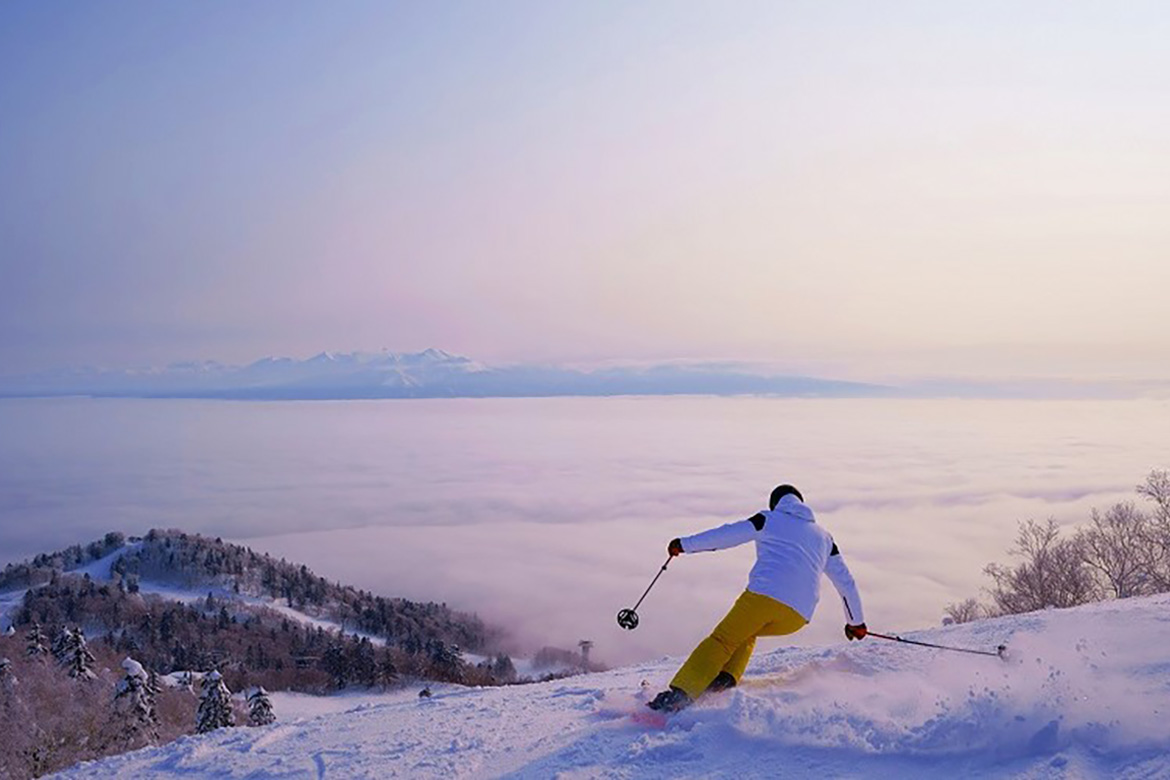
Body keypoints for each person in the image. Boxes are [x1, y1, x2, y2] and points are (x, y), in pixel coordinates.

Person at [647, 484, 867, 713]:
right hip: (798, 616)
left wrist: (683, 545)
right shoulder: (825, 538)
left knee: (722, 640)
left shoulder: (767, 519)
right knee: (746, 632)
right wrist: (856, 623)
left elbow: (726, 535)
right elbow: (846, 582)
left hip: (763, 598)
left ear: (775, 504)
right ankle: (724, 679)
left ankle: (679, 695)